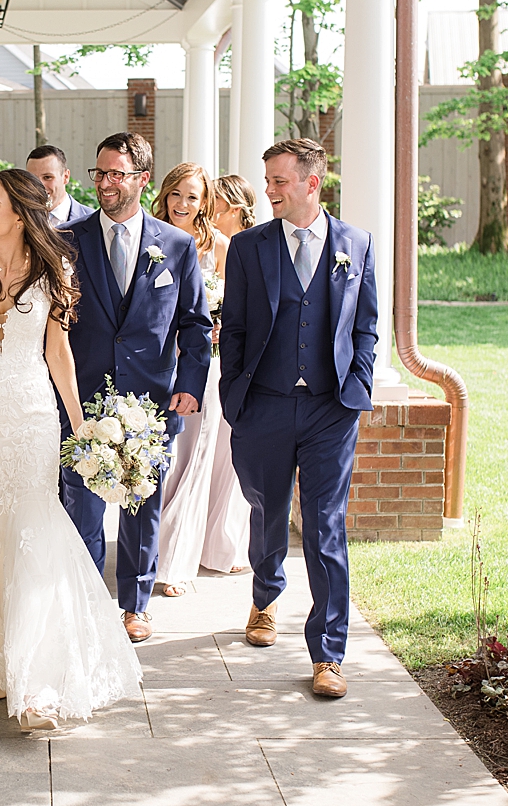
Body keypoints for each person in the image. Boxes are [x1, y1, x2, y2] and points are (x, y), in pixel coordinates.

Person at [0, 169, 142, 731]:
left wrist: (81, 424)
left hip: (32, 419)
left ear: (19, 213)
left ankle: (36, 681)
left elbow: (59, 355)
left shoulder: (54, 271)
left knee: (33, 532)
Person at [219, 138, 377, 700]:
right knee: (267, 508)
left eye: (279, 181)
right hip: (262, 404)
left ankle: (329, 653)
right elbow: (233, 328)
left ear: (312, 184)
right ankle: (266, 593)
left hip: (331, 410)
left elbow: (366, 326)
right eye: (268, 180)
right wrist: (232, 394)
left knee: (325, 524)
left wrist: (356, 382)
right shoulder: (248, 248)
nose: (269, 190)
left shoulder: (356, 244)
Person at [58, 133, 211, 643]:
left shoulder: (177, 245)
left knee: (142, 503)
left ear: (143, 179)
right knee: (81, 500)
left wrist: (191, 384)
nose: (104, 183)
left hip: (151, 400)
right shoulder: (67, 240)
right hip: (83, 397)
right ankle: (83, 598)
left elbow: (194, 323)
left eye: (116, 174)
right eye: (98, 173)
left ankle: (135, 604)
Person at [153, 164, 252, 597]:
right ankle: (155, 550)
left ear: (205, 202)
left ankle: (175, 562)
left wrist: (217, 324)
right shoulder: (149, 236)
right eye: (175, 193)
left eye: (191, 197)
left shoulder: (223, 247)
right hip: (158, 363)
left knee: (195, 458)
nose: (182, 203)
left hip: (203, 365)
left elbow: (238, 309)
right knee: (165, 461)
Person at [26, 144, 95, 226]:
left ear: (66, 177)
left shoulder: (92, 220)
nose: (39, 185)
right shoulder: (18, 219)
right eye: (33, 178)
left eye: (47, 177)